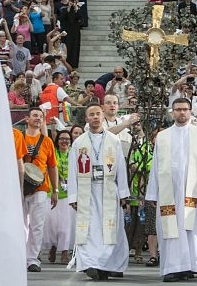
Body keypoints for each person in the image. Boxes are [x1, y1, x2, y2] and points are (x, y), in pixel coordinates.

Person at [145, 98, 197, 282]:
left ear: (190, 111)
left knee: (191, 229)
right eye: (178, 109)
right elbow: (156, 166)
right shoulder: (163, 136)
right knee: (171, 229)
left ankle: (189, 264)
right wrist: (151, 193)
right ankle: (174, 267)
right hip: (169, 192)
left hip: (194, 191)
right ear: (172, 112)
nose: (182, 113)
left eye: (185, 109)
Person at [68, 103, 130, 280]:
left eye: (98, 114)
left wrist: (124, 194)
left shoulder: (113, 140)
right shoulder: (79, 143)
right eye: (91, 115)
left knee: (109, 229)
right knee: (90, 229)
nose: (95, 117)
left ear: (103, 116)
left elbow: (121, 168)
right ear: (86, 119)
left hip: (109, 189)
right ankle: (89, 264)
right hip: (87, 191)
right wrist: (73, 195)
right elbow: (73, 170)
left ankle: (106, 265)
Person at [22, 107, 59, 273]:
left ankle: (32, 259)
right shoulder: (17, 137)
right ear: (27, 119)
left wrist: (55, 190)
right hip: (19, 186)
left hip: (41, 187)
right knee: (20, 224)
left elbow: (52, 166)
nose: (38, 118)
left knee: (37, 225)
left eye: (41, 116)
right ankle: (19, 255)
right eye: (35, 115)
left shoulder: (47, 141)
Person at [43, 130, 75, 265]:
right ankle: (53, 247)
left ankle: (64, 252)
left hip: (68, 195)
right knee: (51, 226)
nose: (64, 141)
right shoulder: (53, 152)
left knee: (65, 227)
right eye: (61, 138)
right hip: (52, 194)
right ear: (57, 141)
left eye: (67, 139)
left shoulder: (74, 153)